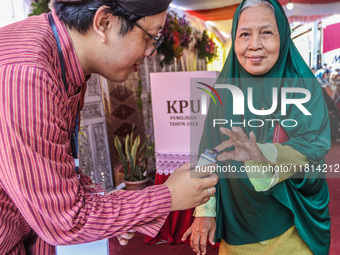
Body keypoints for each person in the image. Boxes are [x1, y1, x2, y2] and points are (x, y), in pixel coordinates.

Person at [0, 0, 219, 254]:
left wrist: (119, 211)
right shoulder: (27, 74)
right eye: (151, 37)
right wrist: (168, 196)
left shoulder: (61, 58)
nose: (151, 51)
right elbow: (66, 220)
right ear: (104, 22)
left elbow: (59, 169)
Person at [182, 0, 331, 254]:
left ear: (283, 35)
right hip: (237, 230)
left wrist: (262, 155)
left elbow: (312, 144)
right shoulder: (224, 90)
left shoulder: (303, 87)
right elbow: (208, 150)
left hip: (292, 228)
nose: (254, 45)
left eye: (266, 32)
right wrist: (205, 209)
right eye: (245, 34)